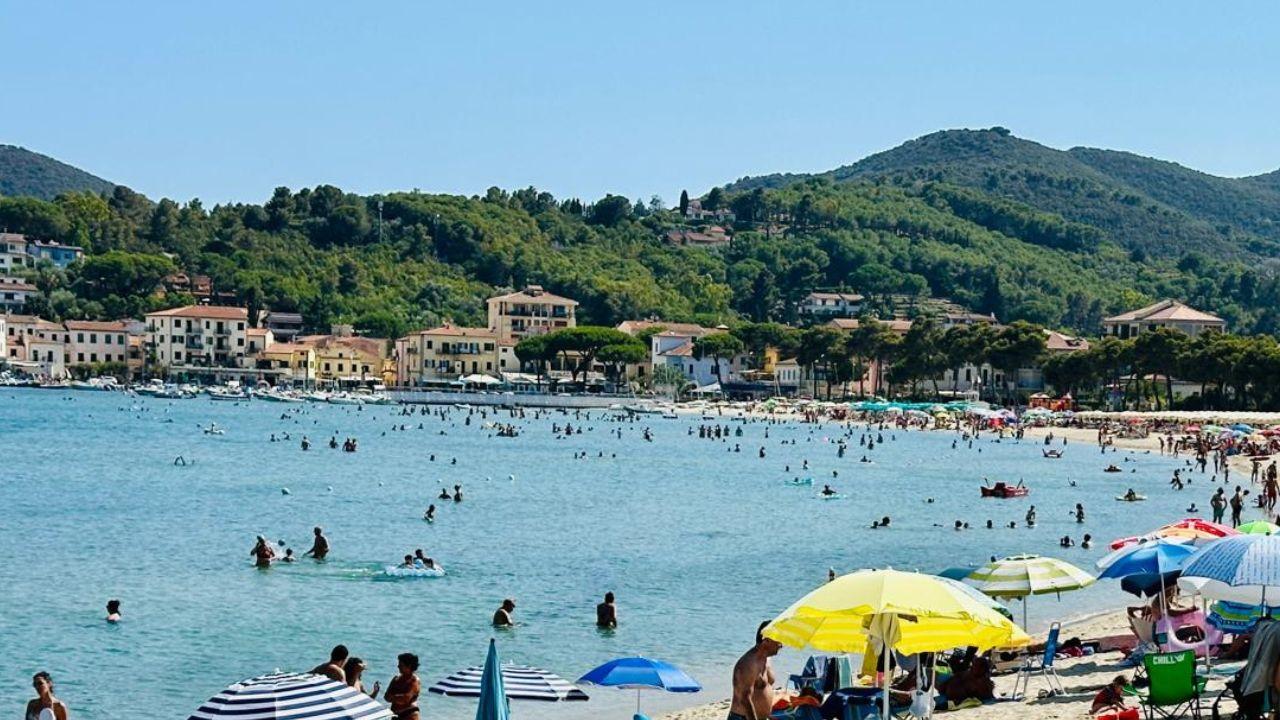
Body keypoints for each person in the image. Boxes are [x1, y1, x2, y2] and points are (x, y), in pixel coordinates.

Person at [729, 622, 781, 720]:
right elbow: (744, 699)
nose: (781, 645)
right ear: (766, 641)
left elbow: (763, 692)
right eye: (778, 641)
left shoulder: (767, 659)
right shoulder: (748, 663)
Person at [384, 653, 421, 720]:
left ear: (409, 666)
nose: (398, 666)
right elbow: (386, 697)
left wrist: (392, 697)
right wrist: (397, 697)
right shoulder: (396, 678)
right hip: (395, 715)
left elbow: (405, 699)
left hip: (409, 714)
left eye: (401, 665)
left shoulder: (414, 680)